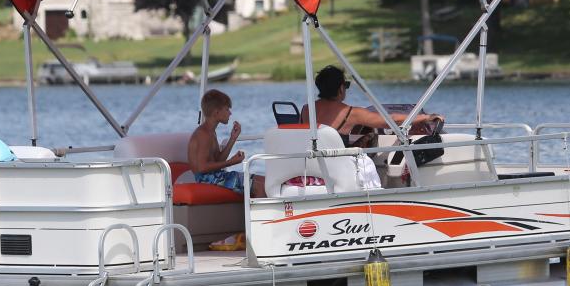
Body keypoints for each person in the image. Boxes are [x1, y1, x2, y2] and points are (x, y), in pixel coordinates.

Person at [300, 65, 443, 144]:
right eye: (347, 85)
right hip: (335, 168)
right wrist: (425, 117)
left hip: (312, 166)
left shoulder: (307, 110)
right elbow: (390, 121)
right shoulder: (350, 113)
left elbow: (321, 143)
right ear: (341, 88)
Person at [188, 89, 265, 197]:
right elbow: (202, 167)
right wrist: (231, 162)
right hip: (207, 180)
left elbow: (218, 160)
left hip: (216, 176)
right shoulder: (203, 134)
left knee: (264, 181)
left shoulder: (211, 132)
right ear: (216, 112)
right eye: (227, 109)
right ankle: (257, 214)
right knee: (259, 187)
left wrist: (232, 139)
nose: (230, 113)